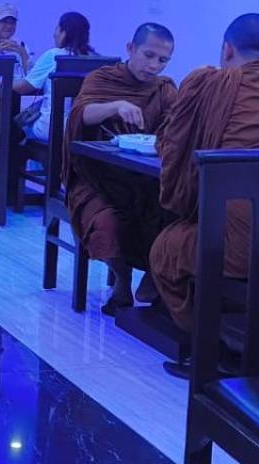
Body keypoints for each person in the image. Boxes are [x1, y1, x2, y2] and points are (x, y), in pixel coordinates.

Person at [148, 13, 259, 331]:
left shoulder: (207, 84)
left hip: (240, 247)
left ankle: (211, 342)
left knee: (166, 247)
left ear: (227, 49)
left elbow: (174, 147)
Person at [64, 23, 180, 314]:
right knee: (107, 221)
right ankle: (122, 278)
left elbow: (174, 128)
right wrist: (115, 106)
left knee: (173, 210)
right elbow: (81, 114)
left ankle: (156, 275)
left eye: (162, 60)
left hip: (144, 178)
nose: (153, 66)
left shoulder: (165, 89)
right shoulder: (102, 78)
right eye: (148, 55)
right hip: (95, 176)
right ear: (130, 48)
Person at [17, 11, 97, 142]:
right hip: (83, 130)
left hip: (53, 128)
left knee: (19, 127)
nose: (54, 34)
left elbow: (24, 87)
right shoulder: (95, 59)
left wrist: (7, 82)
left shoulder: (55, 55)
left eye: (56, 28)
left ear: (64, 33)